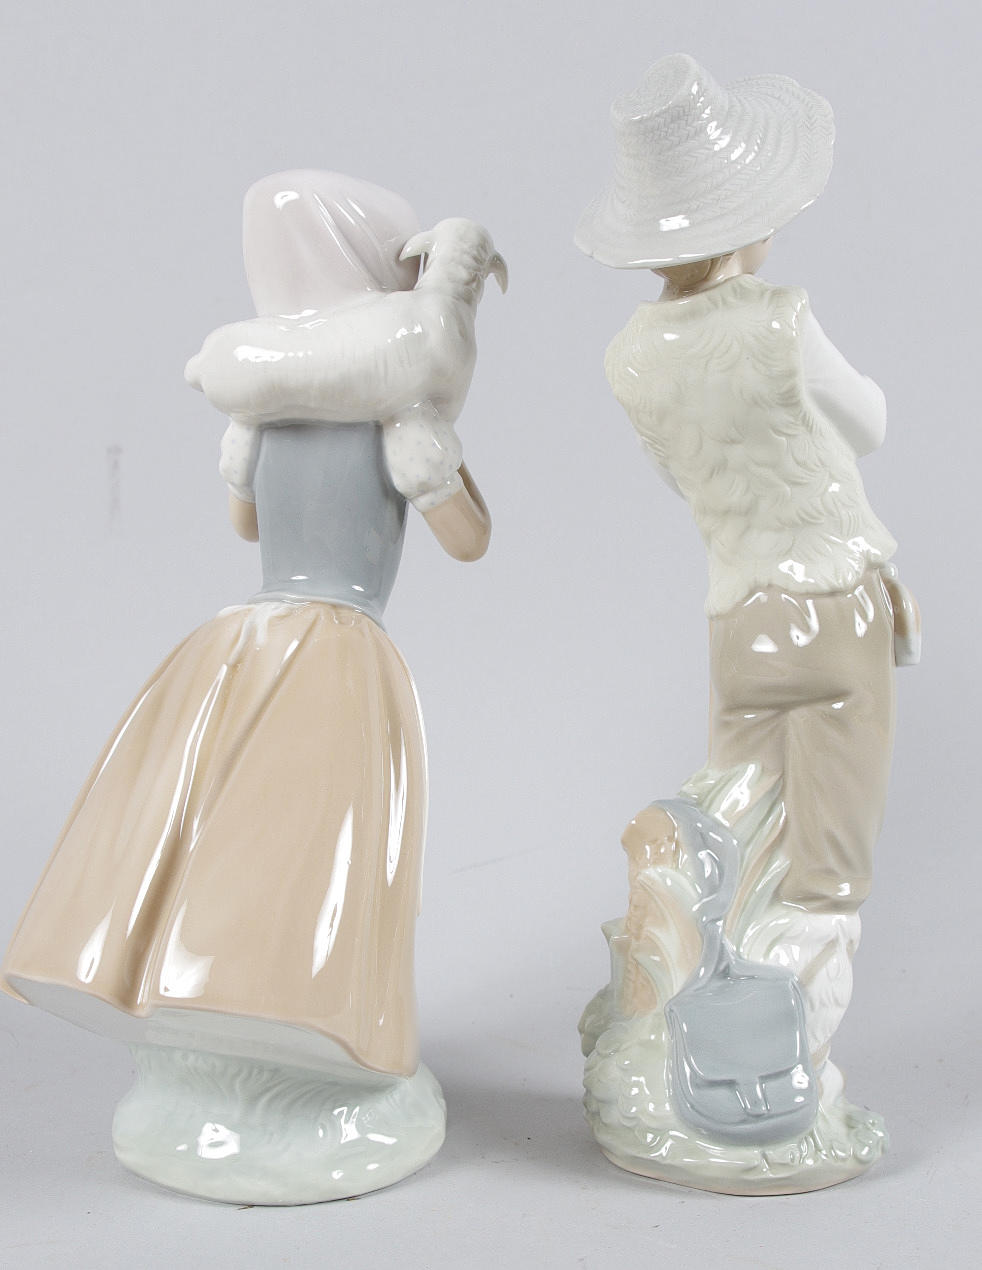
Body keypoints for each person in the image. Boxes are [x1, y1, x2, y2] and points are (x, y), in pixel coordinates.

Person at [1, 170, 503, 1202]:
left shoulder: (268, 408)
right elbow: (468, 541)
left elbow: (247, 525)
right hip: (334, 639)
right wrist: (438, 469)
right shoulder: (383, 405)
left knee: (231, 829)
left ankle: (236, 1006)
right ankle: (271, 1010)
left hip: (250, 635)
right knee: (303, 840)